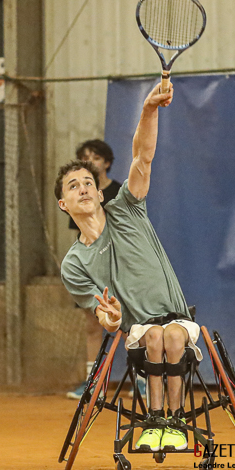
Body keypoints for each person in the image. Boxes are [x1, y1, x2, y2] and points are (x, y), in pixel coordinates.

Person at [54, 82, 200, 453]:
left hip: (178, 319)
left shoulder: (128, 208)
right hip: (139, 331)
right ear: (63, 203)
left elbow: (142, 156)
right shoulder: (74, 264)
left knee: (170, 336)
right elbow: (104, 319)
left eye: (88, 182)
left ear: (101, 193)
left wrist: (149, 109)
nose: (84, 188)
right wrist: (113, 317)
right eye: (74, 186)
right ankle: (155, 420)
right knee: (153, 336)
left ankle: (176, 420)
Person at [64, 140, 145, 401]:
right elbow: (82, 231)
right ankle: (94, 381)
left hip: (122, 266)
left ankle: (142, 381)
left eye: (96, 158)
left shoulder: (119, 191)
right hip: (93, 270)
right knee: (92, 324)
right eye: (85, 157)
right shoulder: (78, 195)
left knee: (134, 324)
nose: (91, 162)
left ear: (107, 162)